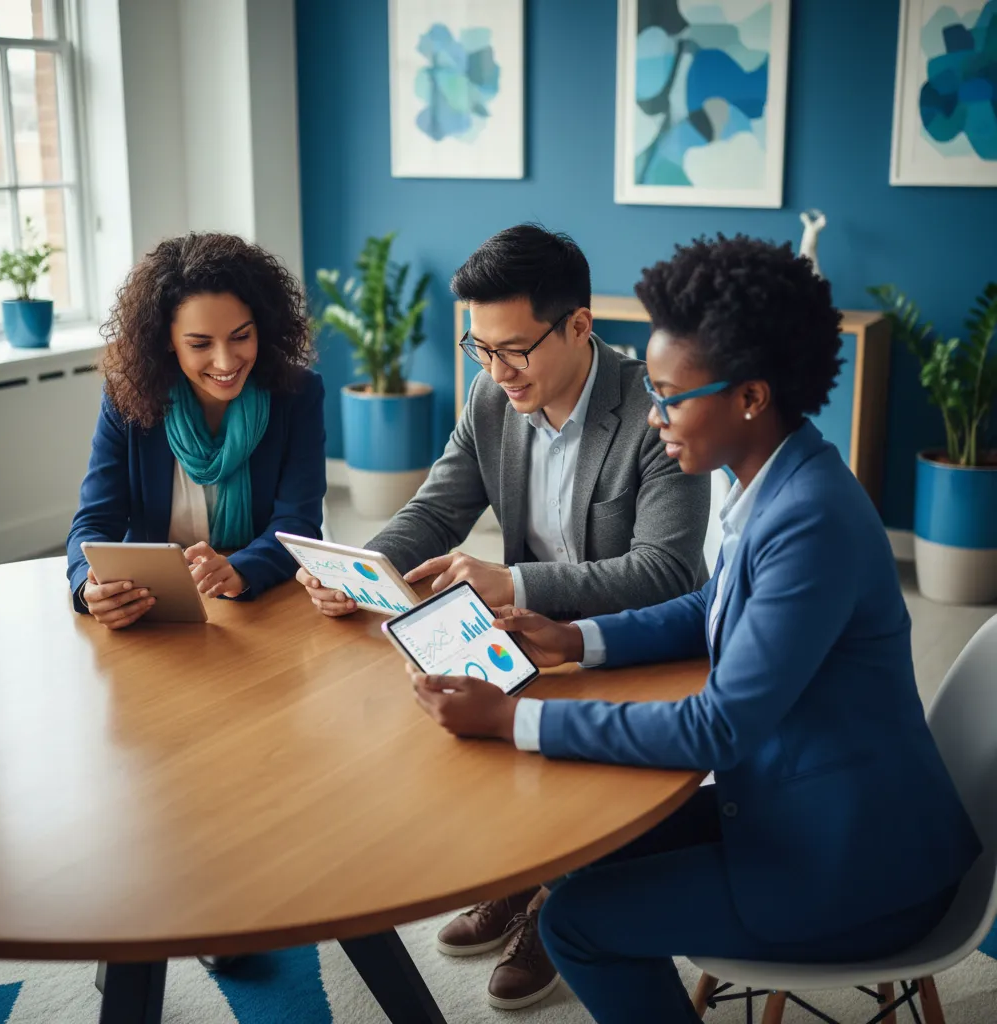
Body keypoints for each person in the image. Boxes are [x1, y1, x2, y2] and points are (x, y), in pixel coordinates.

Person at [406, 235, 982, 1020]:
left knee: (579, 923)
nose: (654, 415)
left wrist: (514, 717)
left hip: (854, 864)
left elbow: (717, 730)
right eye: (653, 388)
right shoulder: (778, 477)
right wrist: (573, 639)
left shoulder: (811, 520)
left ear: (749, 396)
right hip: (809, 800)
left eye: (672, 396)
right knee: (577, 846)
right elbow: (708, 606)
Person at [297, 224, 710, 1007]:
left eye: (514, 349)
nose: (495, 369)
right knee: (442, 713)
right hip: (532, 635)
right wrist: (362, 571)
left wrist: (515, 582)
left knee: (539, 736)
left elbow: (667, 572)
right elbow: (437, 508)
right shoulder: (492, 396)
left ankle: (559, 900)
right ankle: (526, 878)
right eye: (478, 348)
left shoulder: (656, 410)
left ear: (579, 327)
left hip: (641, 645)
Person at [67, 231, 326, 631]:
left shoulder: (298, 394)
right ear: (167, 342)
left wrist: (240, 569)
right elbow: (95, 522)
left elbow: (298, 525)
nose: (225, 361)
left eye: (241, 336)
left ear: (263, 327)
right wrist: (89, 585)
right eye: (200, 344)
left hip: (259, 610)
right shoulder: (128, 397)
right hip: (152, 610)